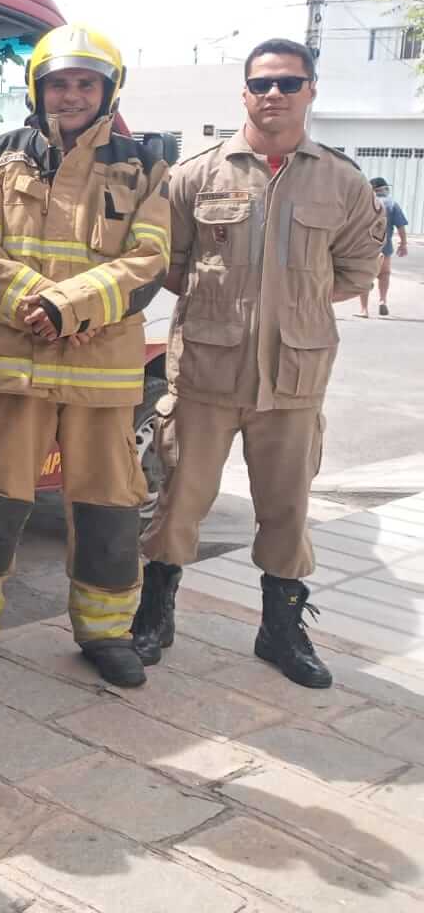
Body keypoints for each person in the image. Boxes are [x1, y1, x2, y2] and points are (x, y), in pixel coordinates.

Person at [134, 38, 384, 689]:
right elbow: (172, 263)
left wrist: (290, 304)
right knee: (179, 500)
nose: (275, 94)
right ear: (244, 93)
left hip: (295, 381)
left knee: (287, 509)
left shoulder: (341, 180)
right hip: (207, 377)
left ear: (310, 91)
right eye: (263, 83)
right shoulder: (197, 175)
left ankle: (281, 628)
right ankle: (155, 615)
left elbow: (357, 268)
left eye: (289, 83)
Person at [0, 25, 170, 688]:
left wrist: (74, 304)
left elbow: (149, 261)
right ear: (38, 88)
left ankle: (105, 633)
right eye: (58, 82)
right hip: (16, 365)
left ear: (108, 90)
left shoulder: (146, 164)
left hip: (101, 372)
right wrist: (44, 302)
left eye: (84, 83)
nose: (70, 95)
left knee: (109, 509)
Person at [357, 176, 408, 317]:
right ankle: (382, 301)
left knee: (365, 276)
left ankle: (364, 309)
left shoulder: (364, 203)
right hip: (385, 246)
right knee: (384, 275)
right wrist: (403, 244)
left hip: (365, 247)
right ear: (384, 189)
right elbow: (401, 226)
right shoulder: (392, 204)